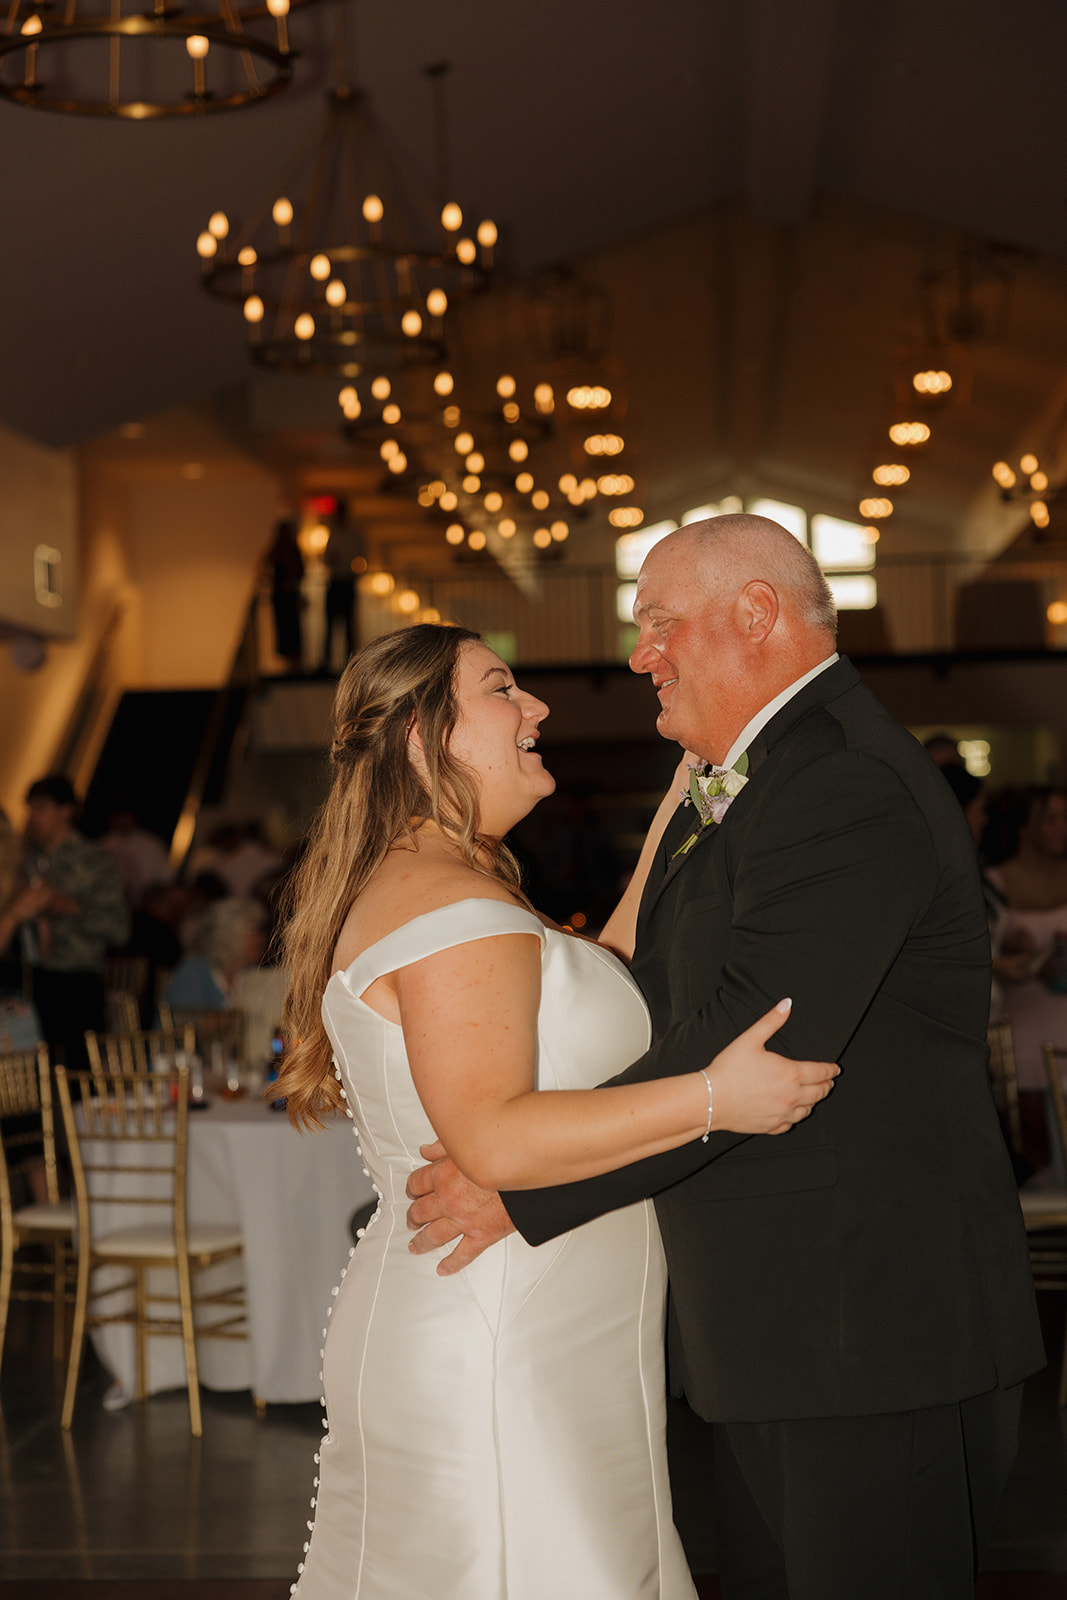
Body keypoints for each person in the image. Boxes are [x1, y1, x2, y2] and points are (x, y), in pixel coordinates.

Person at [407, 517, 1044, 1600]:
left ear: (755, 615)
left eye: (657, 622)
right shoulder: (757, 778)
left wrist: (524, 1184)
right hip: (784, 1328)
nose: (637, 654)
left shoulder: (840, 781)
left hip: (870, 1328)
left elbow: (759, 1037)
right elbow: (657, 1003)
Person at [274, 623, 838, 1600]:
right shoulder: (451, 906)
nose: (536, 709)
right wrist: (714, 1096)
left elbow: (600, 978)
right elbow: (490, 1138)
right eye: (501, 689)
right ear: (421, 734)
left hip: (526, 1326)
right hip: (502, 1341)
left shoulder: (446, 887)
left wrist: (677, 800)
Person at [20, 775, 129, 1071]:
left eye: (41, 807)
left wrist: (65, 906)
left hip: (77, 981)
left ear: (66, 810)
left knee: (81, 1076)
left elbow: (119, 929)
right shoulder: (25, 859)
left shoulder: (94, 859)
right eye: (30, 808)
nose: (32, 816)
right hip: (30, 980)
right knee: (34, 1075)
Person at [984, 786, 1067, 1168]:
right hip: (1022, 1024)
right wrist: (1013, 954)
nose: (1061, 828)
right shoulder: (993, 884)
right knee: (1032, 1146)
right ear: (1024, 826)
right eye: (1050, 819)